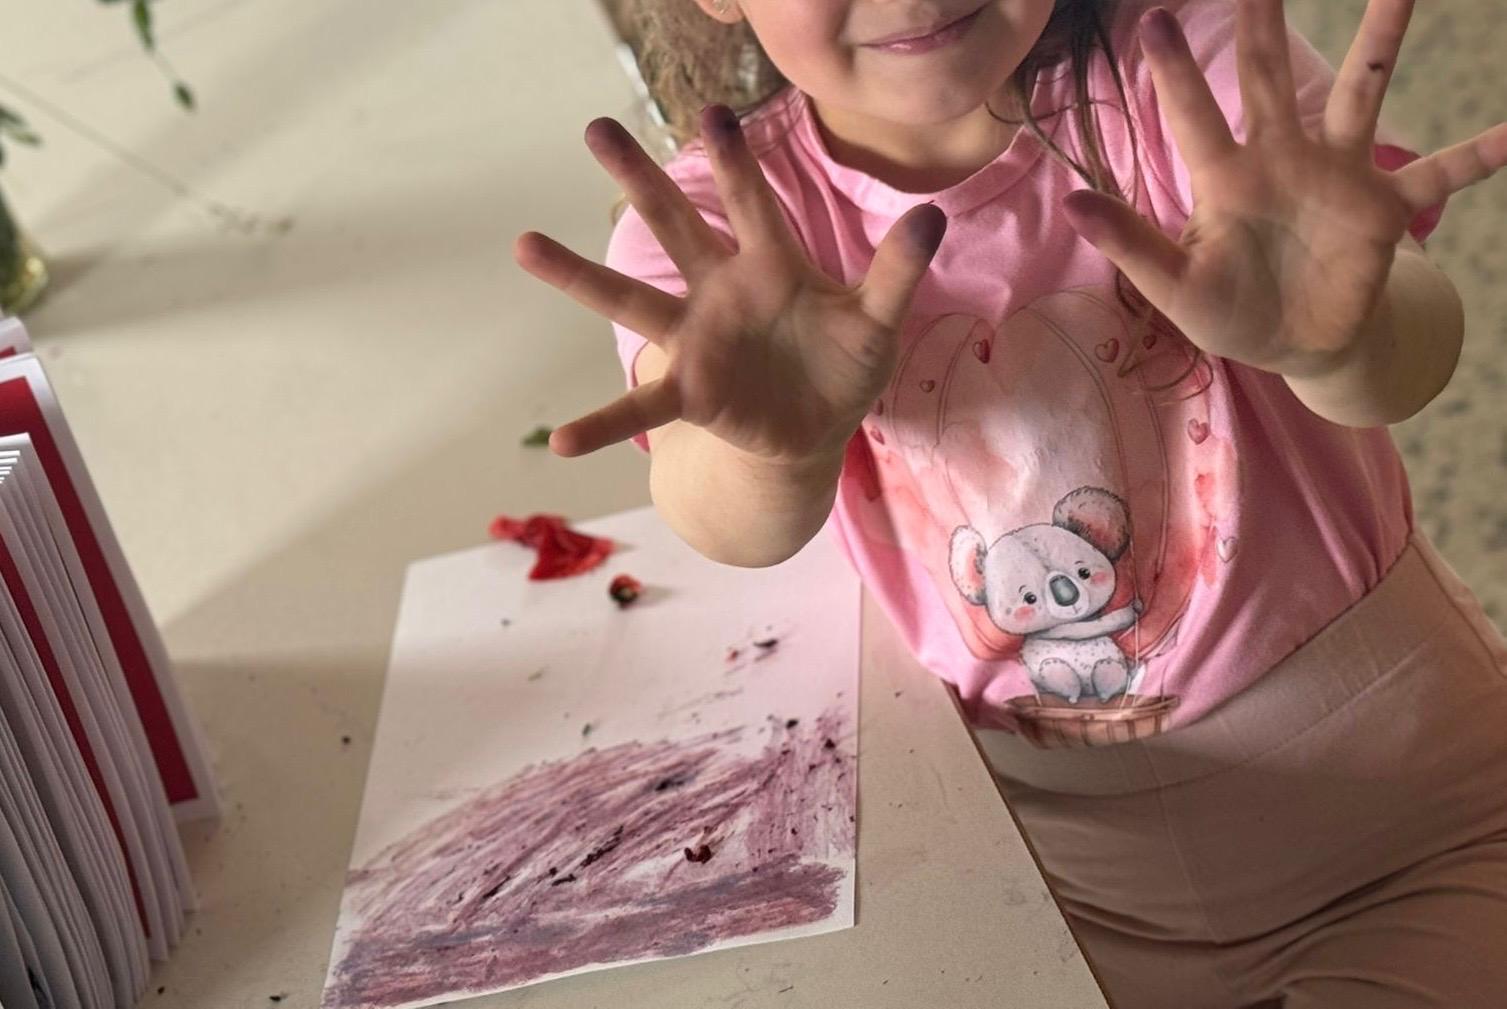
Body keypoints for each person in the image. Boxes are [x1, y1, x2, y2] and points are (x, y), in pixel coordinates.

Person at [515, 0, 1507, 1004]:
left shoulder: (1190, 63)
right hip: (1069, 882)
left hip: (1416, 817)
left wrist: (1339, 342)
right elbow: (719, 518)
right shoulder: (717, 231)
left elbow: (1409, 352)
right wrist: (774, 453)